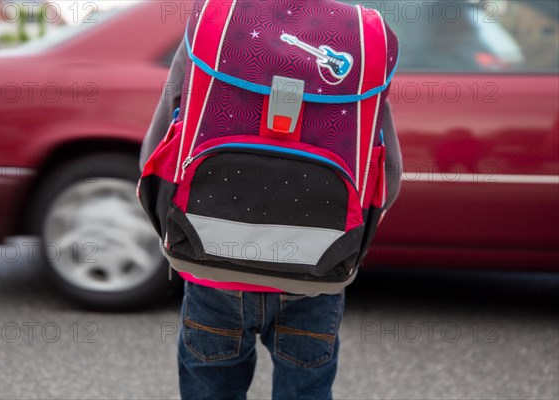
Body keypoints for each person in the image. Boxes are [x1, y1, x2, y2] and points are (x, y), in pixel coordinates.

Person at [140, 2, 402, 399]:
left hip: (211, 262)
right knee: (306, 389)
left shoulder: (218, 17)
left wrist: (162, 217)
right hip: (317, 268)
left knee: (210, 388)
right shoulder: (364, 37)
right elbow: (388, 167)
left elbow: (165, 126)